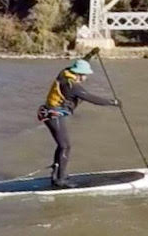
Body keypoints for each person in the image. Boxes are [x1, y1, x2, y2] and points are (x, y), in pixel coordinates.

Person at [37, 58, 120, 188]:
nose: (86, 77)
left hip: (48, 112)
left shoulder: (63, 73)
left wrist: (89, 55)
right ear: (78, 74)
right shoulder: (72, 87)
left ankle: (57, 175)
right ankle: (60, 180)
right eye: (85, 75)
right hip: (53, 115)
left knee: (62, 145)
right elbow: (91, 98)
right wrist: (113, 102)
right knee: (65, 146)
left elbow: (73, 66)